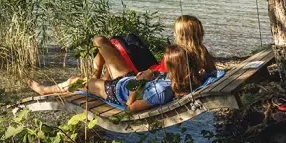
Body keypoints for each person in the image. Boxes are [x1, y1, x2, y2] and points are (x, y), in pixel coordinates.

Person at [28, 44, 194, 114]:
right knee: (102, 45)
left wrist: (140, 82)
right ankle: (92, 81)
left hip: (114, 91)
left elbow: (130, 108)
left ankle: (45, 90)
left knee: (73, 80)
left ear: (173, 67)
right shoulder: (175, 80)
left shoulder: (162, 91)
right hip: (125, 80)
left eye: (166, 61)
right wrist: (151, 76)